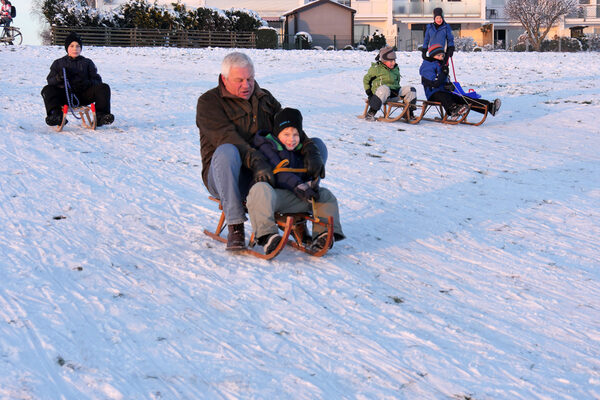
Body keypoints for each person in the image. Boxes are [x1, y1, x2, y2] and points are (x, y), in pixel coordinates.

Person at [196, 52, 327, 251]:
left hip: (267, 174)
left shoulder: (264, 98)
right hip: (228, 176)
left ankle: (298, 214)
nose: (246, 85)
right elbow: (226, 137)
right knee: (227, 151)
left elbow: (289, 128)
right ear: (224, 79)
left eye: (250, 78)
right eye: (239, 80)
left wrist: (309, 148)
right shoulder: (209, 102)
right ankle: (235, 224)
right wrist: (256, 160)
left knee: (318, 145)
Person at [249, 108, 345, 253]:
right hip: (272, 197)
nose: (291, 139)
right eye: (286, 134)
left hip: (295, 196)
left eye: (296, 134)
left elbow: (305, 175)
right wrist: (299, 186)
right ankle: (266, 235)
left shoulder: (301, 150)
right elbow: (279, 174)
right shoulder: (267, 147)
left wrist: (310, 183)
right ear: (276, 133)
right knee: (260, 189)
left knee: (325, 195)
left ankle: (324, 234)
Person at [41, 32, 114, 127]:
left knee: (104, 87)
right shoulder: (58, 63)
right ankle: (55, 115)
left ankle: (101, 115)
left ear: (81, 48)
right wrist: (59, 78)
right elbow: (50, 81)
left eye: (78, 46)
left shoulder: (87, 62)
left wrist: (87, 83)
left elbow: (97, 80)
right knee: (47, 89)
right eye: (72, 46)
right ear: (67, 48)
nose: (75, 49)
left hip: (84, 95)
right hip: (65, 96)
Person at [419, 44, 501, 120]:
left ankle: (489, 107)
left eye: (442, 55)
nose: (441, 57)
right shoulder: (427, 66)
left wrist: (450, 86)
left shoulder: (440, 65)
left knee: (463, 99)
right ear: (432, 55)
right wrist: (443, 74)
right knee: (443, 96)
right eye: (438, 55)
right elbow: (434, 83)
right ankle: (453, 111)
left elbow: (443, 81)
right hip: (433, 94)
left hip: (445, 92)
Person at [363, 45, 417, 121]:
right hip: (381, 95)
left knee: (411, 89)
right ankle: (371, 112)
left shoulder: (395, 69)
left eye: (394, 60)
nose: (393, 63)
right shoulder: (376, 69)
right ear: (383, 61)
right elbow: (366, 79)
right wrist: (369, 93)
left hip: (394, 93)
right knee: (385, 89)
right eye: (391, 61)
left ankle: (408, 112)